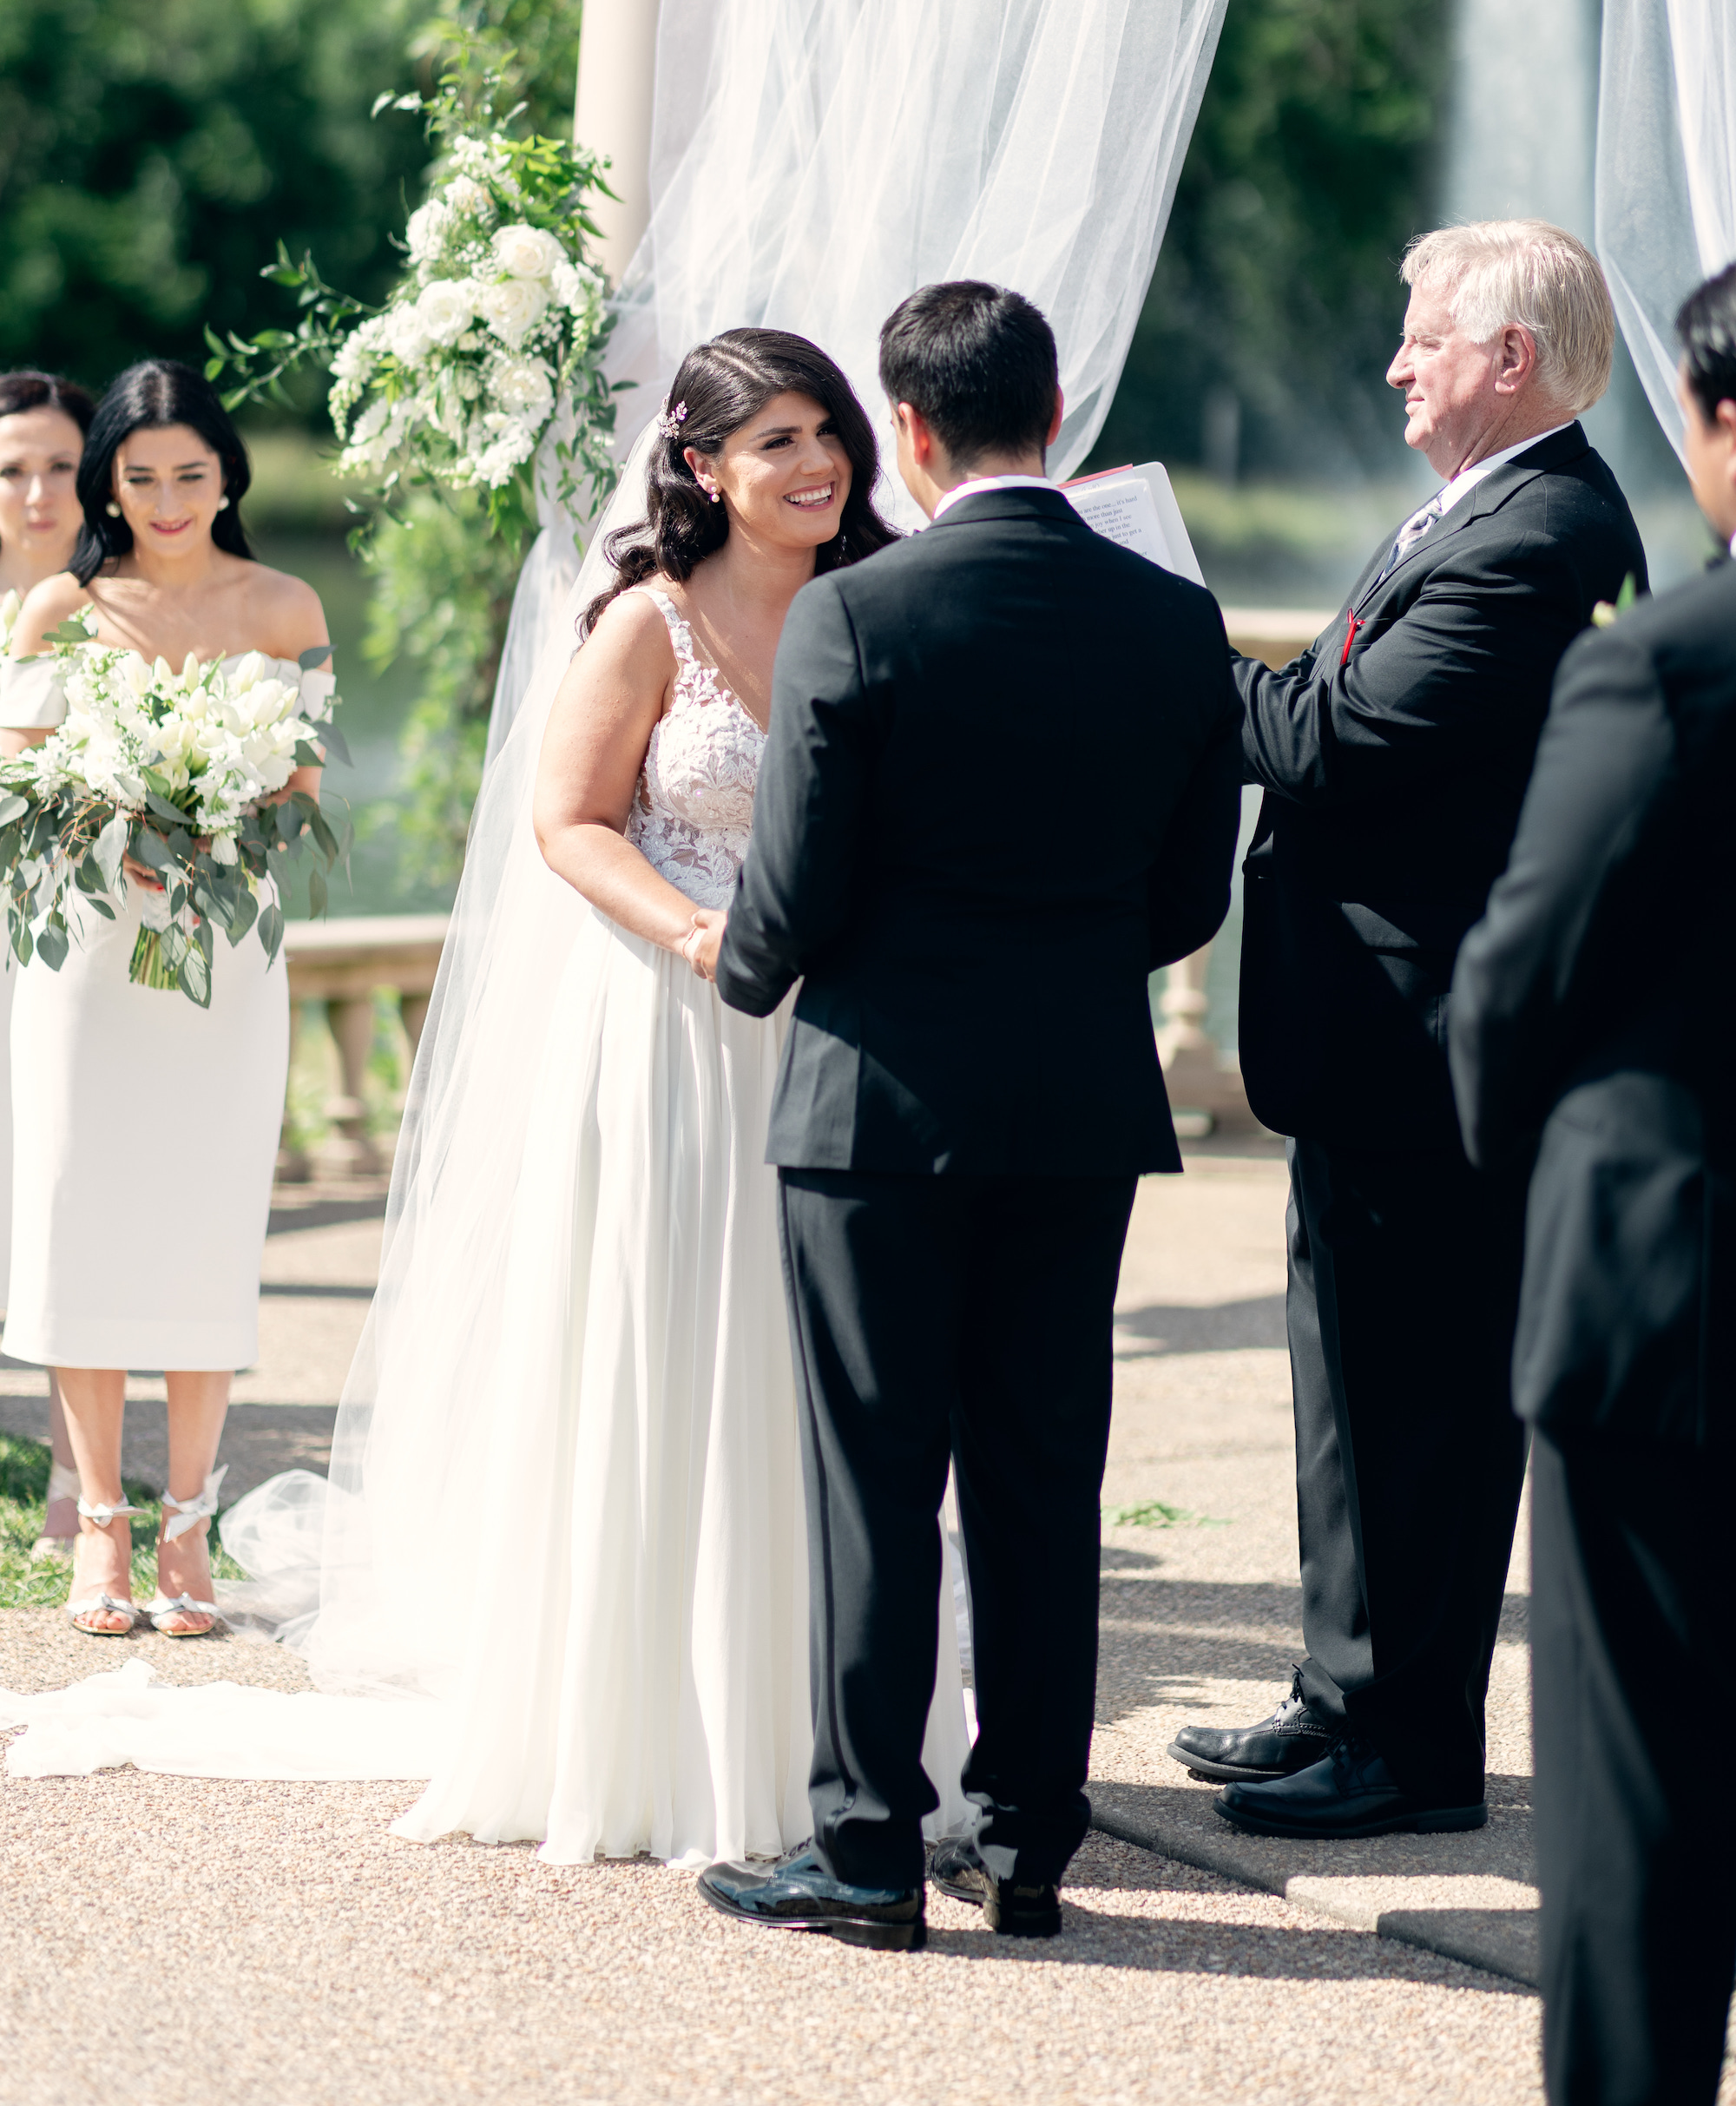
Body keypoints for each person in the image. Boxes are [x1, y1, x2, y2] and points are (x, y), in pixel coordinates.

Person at [695, 281, 1242, 1952]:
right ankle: (1027, 1849)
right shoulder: (1170, 618)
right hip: (1077, 1102)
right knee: (1039, 1477)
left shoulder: (854, 618)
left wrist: (751, 979)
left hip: (876, 1109)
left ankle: (865, 1854)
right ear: (1055, 415)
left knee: (874, 1482)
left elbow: (788, 897)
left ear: (909, 433)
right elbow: (1185, 897)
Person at [391, 326, 975, 1866]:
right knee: (680, 1336)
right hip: (675, 1028)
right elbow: (569, 821)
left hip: (843, 1036)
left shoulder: (887, 602)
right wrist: (699, 933)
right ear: (704, 468)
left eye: (828, 431)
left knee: (825, 1378)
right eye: (774, 439)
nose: (814, 464)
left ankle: (833, 1744)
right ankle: (656, 1737)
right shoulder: (647, 622)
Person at [1172, 220, 1647, 1841]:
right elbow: (1329, 687)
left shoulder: (1538, 532)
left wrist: (1167, 647)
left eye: (1423, 338)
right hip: (1371, 1045)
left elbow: (1340, 733)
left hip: (1429, 1048)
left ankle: (1412, 1750)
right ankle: (1344, 1696)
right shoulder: (1486, 507)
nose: (1394, 364)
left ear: (1510, 359)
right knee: (1355, 1391)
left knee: (1425, 1409)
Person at [1449, 261, 1736, 2106]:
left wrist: (1512, 1186)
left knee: (1637, 1788)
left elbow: (1514, 986)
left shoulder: (1662, 665)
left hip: (1668, 1294)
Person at [0, 359, 330, 1640]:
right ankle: (100, 1526)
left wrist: (221, 812)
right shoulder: (57, 614)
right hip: (86, 955)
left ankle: (189, 1526)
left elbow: (302, 793)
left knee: (203, 1218)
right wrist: (115, 825)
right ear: (110, 484)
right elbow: (19, 796)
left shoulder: (288, 604)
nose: (169, 498)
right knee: (81, 1213)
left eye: (192, 473)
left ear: (228, 476)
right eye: (141, 477)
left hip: (224, 963)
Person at [0, 371, 95, 1557]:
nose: (35, 491)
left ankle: (83, 1473)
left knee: (73, 1184)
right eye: (12, 469)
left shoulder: (123, 607)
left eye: (59, 466)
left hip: (75, 937)